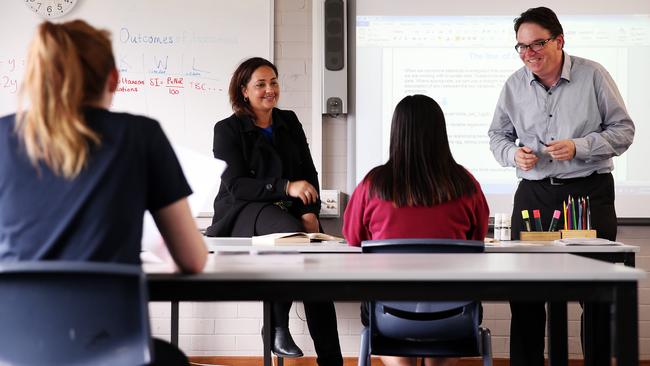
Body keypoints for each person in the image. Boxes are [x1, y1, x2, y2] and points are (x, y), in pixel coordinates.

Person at [0, 20, 208, 365]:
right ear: (114, 78)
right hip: (116, 352)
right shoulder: (142, 136)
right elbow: (193, 259)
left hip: (13, 352)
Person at [487, 7, 635, 366]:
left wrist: (579, 147)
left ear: (559, 41)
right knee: (525, 295)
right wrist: (512, 155)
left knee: (597, 294)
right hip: (535, 194)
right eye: (521, 47)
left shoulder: (593, 75)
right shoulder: (513, 84)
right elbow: (497, 136)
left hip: (588, 192)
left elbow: (624, 130)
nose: (528, 54)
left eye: (536, 44)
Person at [204, 57, 343, 365]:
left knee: (314, 266)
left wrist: (311, 211)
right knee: (291, 235)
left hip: (284, 212)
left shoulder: (289, 122)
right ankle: (278, 324)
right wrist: (286, 187)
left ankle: (330, 360)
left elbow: (309, 173)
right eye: (261, 84)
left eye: (274, 82)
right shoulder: (227, 130)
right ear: (244, 91)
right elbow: (237, 185)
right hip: (241, 213)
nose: (270, 90)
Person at [343, 94, 489, 366]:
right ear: (440, 133)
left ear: (396, 132)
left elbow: (353, 239)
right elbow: (476, 243)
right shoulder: (465, 183)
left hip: (388, 318)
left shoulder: (372, 184)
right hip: (454, 317)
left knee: (384, 304)